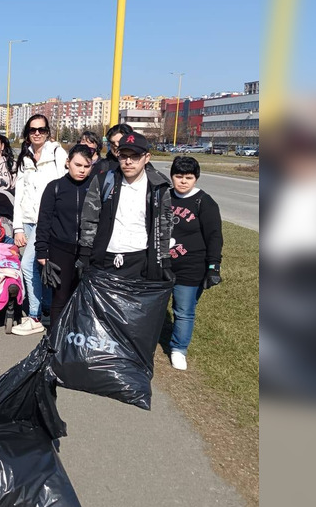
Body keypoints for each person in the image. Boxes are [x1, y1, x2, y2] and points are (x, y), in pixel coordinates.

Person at [77, 131, 174, 286]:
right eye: (123, 155)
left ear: (146, 158)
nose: (128, 161)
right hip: (105, 258)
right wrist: (84, 254)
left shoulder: (159, 187)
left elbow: (164, 226)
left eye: (135, 156)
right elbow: (89, 219)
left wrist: (165, 260)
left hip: (139, 260)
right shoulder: (103, 181)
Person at [10, 114, 67, 336]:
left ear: (47, 132)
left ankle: (33, 316)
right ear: (27, 133)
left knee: (27, 265)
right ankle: (45, 311)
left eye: (41, 130)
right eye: (33, 130)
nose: (37, 133)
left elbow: (64, 188)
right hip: (27, 221)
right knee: (41, 268)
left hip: (47, 222)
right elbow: (20, 195)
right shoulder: (24, 158)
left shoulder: (56, 154)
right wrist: (17, 228)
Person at [166, 155, 223, 370]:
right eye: (178, 176)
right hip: (163, 264)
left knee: (184, 310)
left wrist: (213, 266)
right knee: (154, 306)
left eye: (188, 177)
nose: (182, 181)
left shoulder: (204, 202)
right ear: (172, 176)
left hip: (191, 266)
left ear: (196, 178)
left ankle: (179, 349)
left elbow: (214, 236)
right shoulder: (164, 196)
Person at [35, 144, 95, 334]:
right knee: (60, 297)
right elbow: (44, 221)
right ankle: (55, 338)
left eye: (87, 166)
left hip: (88, 251)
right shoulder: (55, 187)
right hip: (60, 249)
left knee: (83, 297)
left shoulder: (96, 188)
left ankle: (77, 338)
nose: (82, 170)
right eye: (78, 165)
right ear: (68, 163)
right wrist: (41, 251)